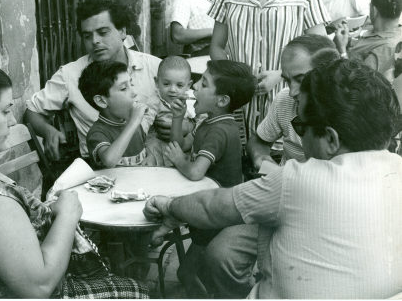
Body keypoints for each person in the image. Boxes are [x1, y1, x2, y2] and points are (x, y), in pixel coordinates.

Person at [143, 58, 402, 298]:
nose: (299, 136)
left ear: (332, 140)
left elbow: (210, 207)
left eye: (301, 127)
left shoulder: (301, 180)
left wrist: (168, 206)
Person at [0, 59, 148, 298]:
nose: (12, 120)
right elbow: (39, 287)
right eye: (5, 110)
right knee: (137, 291)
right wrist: (68, 214)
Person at [208, 0, 329, 141]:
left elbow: (323, 55)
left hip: (287, 102)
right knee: (240, 158)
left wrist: (281, 75)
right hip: (240, 107)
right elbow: (217, 46)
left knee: (279, 164)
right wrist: (235, 80)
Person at [25, 0, 161, 161]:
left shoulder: (154, 67)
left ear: (122, 32)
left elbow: (182, 116)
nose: (95, 41)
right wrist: (48, 131)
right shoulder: (70, 74)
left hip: (152, 159)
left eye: (103, 32)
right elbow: (32, 111)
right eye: (87, 36)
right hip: (100, 169)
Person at [164, 60, 256, 297]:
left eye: (203, 83)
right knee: (191, 272)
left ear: (222, 100)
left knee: (189, 273)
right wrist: (177, 117)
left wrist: (179, 161)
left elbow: (195, 172)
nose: (193, 86)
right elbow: (181, 145)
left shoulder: (219, 131)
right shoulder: (209, 120)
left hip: (215, 216)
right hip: (209, 208)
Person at [247, 34, 337, 170]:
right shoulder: (284, 100)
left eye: (301, 80)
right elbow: (258, 142)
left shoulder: (346, 110)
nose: (292, 92)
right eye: (287, 80)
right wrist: (263, 162)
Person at [78, 61, 148, 168]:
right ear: (101, 101)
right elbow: (109, 160)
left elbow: (146, 146)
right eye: (124, 88)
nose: (134, 92)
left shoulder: (134, 123)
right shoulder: (97, 133)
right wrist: (133, 122)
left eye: (131, 84)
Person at [334, 0, 402, 79]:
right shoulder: (395, 31)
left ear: (374, 10)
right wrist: (348, 41)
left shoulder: (382, 50)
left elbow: (358, 85)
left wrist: (342, 50)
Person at [145, 56, 195, 167]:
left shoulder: (192, 101)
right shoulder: (155, 101)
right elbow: (146, 121)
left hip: (183, 146)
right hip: (159, 144)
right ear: (157, 82)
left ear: (188, 85)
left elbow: (200, 121)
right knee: (151, 144)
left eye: (179, 85)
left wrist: (190, 127)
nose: (172, 89)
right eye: (166, 84)